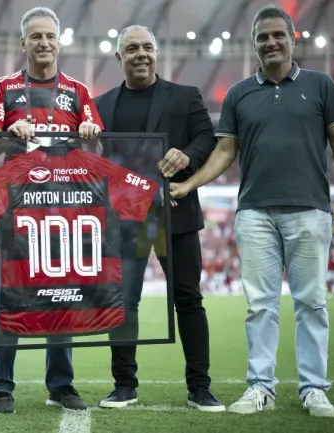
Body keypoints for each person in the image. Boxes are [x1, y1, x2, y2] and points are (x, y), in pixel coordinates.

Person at [169, 4, 334, 418]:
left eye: (278, 35)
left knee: (311, 302)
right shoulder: (238, 92)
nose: (270, 42)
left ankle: (314, 389)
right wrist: (188, 183)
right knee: (260, 305)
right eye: (262, 37)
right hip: (254, 211)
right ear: (253, 44)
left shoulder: (321, 84)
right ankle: (261, 387)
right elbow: (224, 153)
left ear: (293, 39)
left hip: (310, 209)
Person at [93, 25, 224, 412]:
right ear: (119, 58)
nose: (140, 54)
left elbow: (208, 139)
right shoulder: (100, 105)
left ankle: (200, 388)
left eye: (147, 47)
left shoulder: (185, 97)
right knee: (124, 303)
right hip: (126, 218)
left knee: (188, 299)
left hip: (175, 213)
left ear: (156, 52)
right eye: (131, 49)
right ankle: (124, 386)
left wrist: (186, 155)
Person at [0, 6, 103, 414]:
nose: (44, 43)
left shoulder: (79, 92)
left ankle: (61, 385)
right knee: (9, 295)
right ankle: (0, 386)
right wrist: (7, 133)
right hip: (18, 207)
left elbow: (97, 151)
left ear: (59, 41)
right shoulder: (4, 88)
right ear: (24, 43)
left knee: (63, 295)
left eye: (51, 36)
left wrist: (88, 137)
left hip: (64, 207)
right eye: (36, 37)